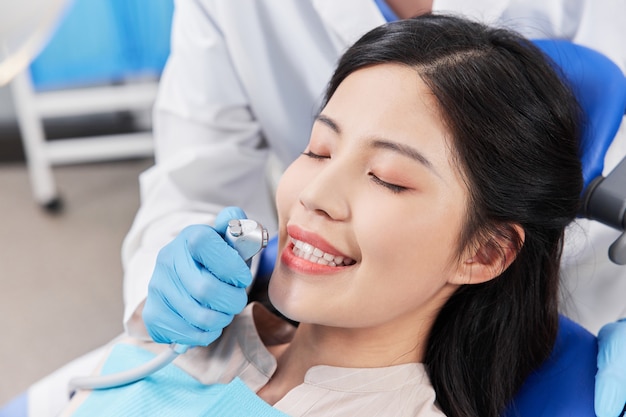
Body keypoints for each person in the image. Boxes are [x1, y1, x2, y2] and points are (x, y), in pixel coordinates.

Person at [121, 1, 626, 416]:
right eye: (317, 149)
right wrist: (172, 288)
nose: (313, 195)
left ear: (486, 252)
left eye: (387, 179)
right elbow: (193, 184)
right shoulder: (172, 351)